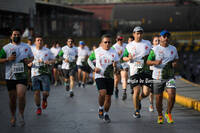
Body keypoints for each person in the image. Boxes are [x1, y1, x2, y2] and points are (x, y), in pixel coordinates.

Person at [0, 28, 34, 126]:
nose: (16, 36)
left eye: (18, 34)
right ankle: (13, 116)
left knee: (21, 95)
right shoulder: (6, 48)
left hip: (22, 75)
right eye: (14, 34)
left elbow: (32, 57)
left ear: (20, 36)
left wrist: (28, 60)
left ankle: (21, 114)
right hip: (10, 76)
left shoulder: (26, 46)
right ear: (11, 36)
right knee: (12, 98)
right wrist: (7, 59)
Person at [147, 30, 178, 124]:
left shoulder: (173, 49)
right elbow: (148, 62)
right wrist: (155, 62)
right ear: (160, 38)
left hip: (169, 76)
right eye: (164, 36)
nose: (166, 38)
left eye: (168, 36)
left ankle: (168, 113)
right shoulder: (154, 49)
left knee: (172, 94)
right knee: (158, 98)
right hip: (157, 76)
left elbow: (176, 59)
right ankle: (160, 115)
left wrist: (175, 64)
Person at [88, 34, 120, 123]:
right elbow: (89, 60)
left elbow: (118, 64)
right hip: (99, 76)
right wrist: (94, 68)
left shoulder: (114, 52)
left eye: (109, 42)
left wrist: (116, 66)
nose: (107, 44)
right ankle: (100, 107)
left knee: (108, 97)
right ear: (101, 43)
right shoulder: (97, 51)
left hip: (110, 76)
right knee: (103, 92)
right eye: (105, 42)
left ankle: (106, 114)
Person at [123, 26, 152, 118]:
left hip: (146, 71)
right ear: (134, 34)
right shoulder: (129, 45)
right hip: (134, 71)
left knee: (146, 92)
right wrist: (129, 58)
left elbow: (152, 54)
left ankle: (139, 99)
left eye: (140, 33)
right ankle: (136, 111)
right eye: (137, 33)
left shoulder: (147, 43)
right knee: (137, 90)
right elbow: (124, 57)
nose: (139, 35)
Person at [30, 35, 55, 115]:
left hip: (45, 73)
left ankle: (44, 99)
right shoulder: (31, 50)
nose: (39, 42)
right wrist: (28, 63)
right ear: (35, 42)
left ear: (43, 42)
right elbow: (26, 60)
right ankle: (38, 108)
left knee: (46, 93)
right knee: (36, 92)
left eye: (41, 40)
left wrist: (50, 62)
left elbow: (53, 59)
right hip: (34, 73)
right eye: (38, 40)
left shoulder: (47, 50)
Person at [112, 35, 128, 100]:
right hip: (116, 64)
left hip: (124, 63)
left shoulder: (126, 45)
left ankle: (124, 92)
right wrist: (117, 54)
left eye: (121, 39)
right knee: (116, 80)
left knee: (124, 77)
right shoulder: (114, 47)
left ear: (123, 39)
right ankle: (116, 89)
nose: (120, 41)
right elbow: (112, 57)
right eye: (118, 40)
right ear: (116, 40)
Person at [149, 35, 160, 112]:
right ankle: (151, 104)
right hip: (151, 71)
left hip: (159, 72)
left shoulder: (162, 49)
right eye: (156, 40)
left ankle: (159, 105)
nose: (157, 42)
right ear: (153, 42)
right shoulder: (150, 50)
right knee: (151, 90)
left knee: (158, 90)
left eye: (159, 40)